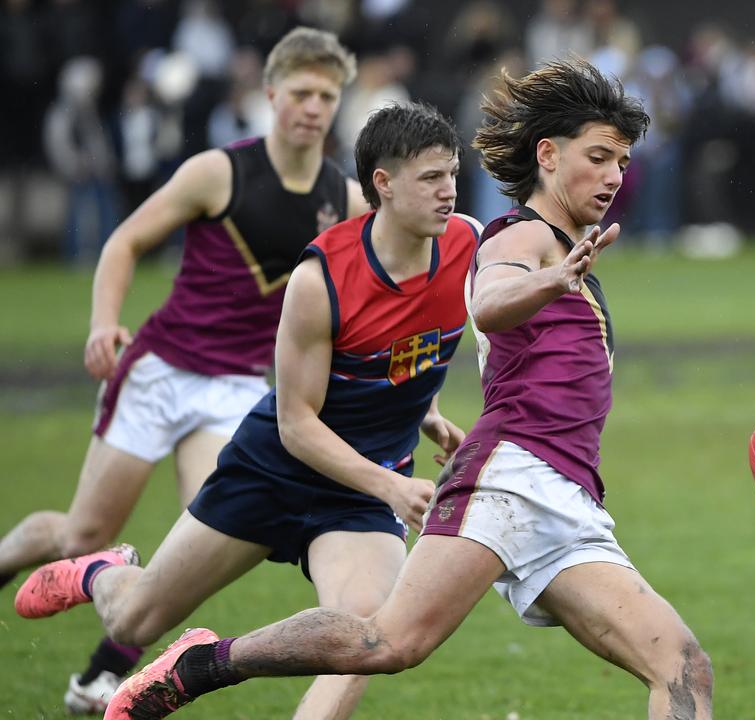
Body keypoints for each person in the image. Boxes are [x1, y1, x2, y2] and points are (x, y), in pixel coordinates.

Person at [97, 57, 714, 720]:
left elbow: (433, 331)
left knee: (682, 667)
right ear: (549, 155)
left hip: (567, 495)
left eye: (622, 162)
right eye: (598, 157)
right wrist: (548, 280)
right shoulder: (522, 238)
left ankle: (194, 661)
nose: (615, 176)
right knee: (384, 640)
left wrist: (430, 412)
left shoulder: (556, 249)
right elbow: (492, 298)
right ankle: (202, 666)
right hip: (511, 479)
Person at [15, 100, 474, 720]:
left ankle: (208, 671)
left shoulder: (467, 246)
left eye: (452, 174)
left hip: (361, 492)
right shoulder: (322, 278)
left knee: (364, 636)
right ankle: (101, 571)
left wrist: (427, 410)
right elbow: (297, 424)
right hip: (275, 469)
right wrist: (393, 486)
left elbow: (416, 340)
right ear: (383, 185)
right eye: (431, 178)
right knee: (134, 616)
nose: (449, 192)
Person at [0, 26, 363, 714]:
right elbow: (125, 239)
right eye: (301, 93)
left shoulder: (342, 200)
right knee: (83, 535)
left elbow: (368, 305)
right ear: (269, 94)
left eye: (327, 95)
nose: (314, 107)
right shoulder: (218, 172)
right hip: (160, 370)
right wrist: (104, 322)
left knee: (196, 554)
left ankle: (106, 671)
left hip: (234, 390)